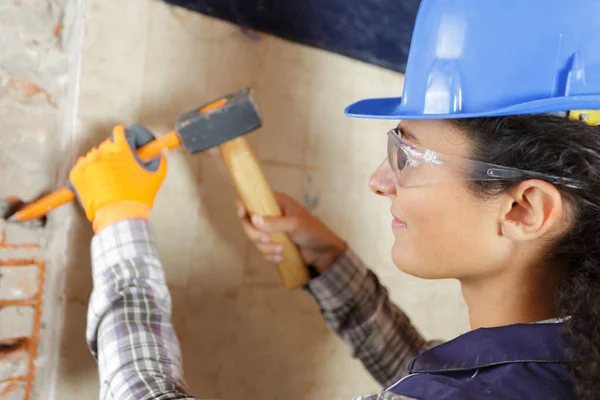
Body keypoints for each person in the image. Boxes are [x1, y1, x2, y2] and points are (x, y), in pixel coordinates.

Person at [69, 0, 600, 399]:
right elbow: (438, 376)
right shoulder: (568, 358)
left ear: (524, 209)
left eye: (407, 156)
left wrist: (120, 222)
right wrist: (332, 265)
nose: (378, 180)